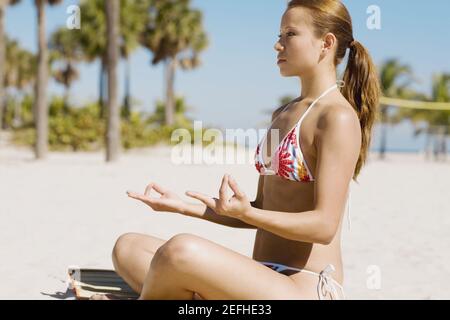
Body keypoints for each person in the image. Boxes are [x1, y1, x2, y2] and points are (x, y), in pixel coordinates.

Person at [91, 0, 380, 300]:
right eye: (279, 35)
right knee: (129, 247)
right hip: (261, 277)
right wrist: (182, 206)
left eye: (289, 34)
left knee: (179, 251)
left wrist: (250, 214)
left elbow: (323, 226)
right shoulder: (282, 114)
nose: (277, 45)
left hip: (303, 287)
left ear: (326, 43)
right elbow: (261, 209)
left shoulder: (337, 117)